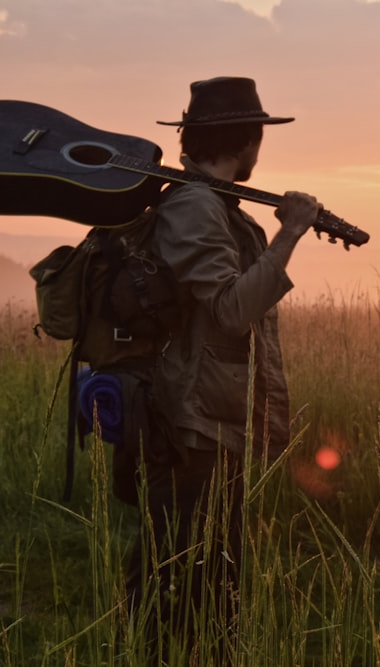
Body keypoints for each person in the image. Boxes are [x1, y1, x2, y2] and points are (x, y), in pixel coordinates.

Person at [124, 76, 320, 662]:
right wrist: (289, 233)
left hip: (210, 416)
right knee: (180, 577)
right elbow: (233, 311)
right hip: (190, 423)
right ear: (247, 140)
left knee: (209, 576)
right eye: (259, 135)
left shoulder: (214, 206)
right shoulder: (193, 208)